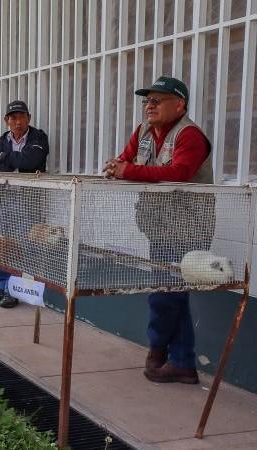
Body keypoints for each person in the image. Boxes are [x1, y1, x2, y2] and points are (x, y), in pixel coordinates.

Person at [104, 76, 212, 384]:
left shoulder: (189, 135)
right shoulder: (143, 132)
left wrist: (128, 171)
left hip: (187, 228)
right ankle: (182, 362)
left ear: (180, 105)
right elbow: (124, 160)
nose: (149, 106)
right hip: (158, 226)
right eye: (146, 101)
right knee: (172, 293)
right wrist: (116, 166)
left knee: (166, 294)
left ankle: (160, 350)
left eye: (157, 100)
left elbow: (179, 172)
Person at [0, 100, 49, 308]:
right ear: (7, 121)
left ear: (28, 118)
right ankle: (2, 285)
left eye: (22, 117)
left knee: (24, 245)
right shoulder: (3, 139)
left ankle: (17, 288)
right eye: (13, 118)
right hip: (5, 199)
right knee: (3, 243)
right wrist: (13, 158)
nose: (18, 122)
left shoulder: (38, 137)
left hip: (27, 201)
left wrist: (6, 157)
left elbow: (29, 162)